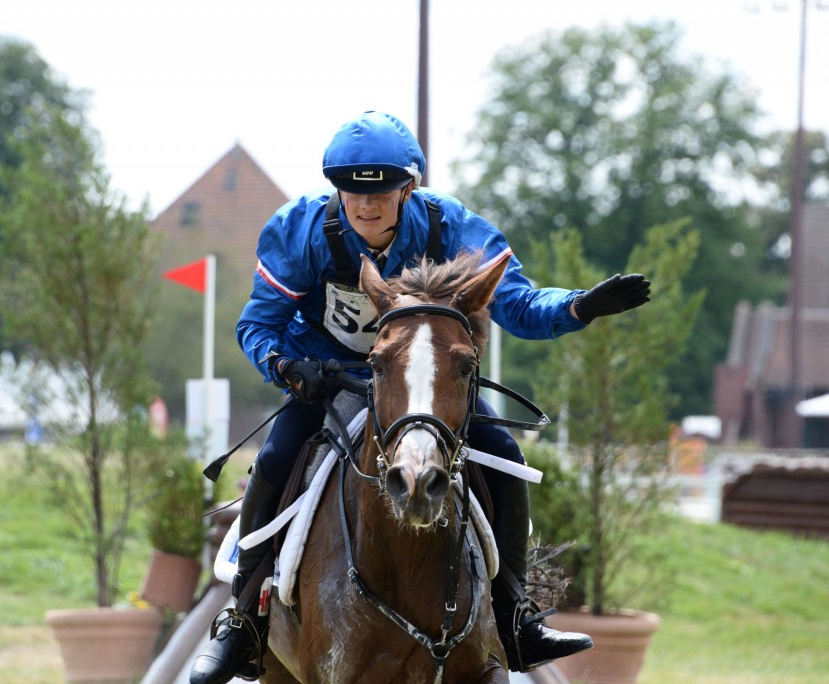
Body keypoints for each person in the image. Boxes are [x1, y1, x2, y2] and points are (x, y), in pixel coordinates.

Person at [191, 111, 651, 683]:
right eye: (352, 194)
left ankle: (513, 615)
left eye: (380, 194)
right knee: (277, 457)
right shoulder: (300, 230)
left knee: (504, 455)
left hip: (426, 379)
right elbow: (255, 326)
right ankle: (243, 622)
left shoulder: (450, 225)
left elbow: (517, 305)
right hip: (327, 377)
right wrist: (286, 365)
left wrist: (578, 307)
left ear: (409, 188)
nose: (364, 207)